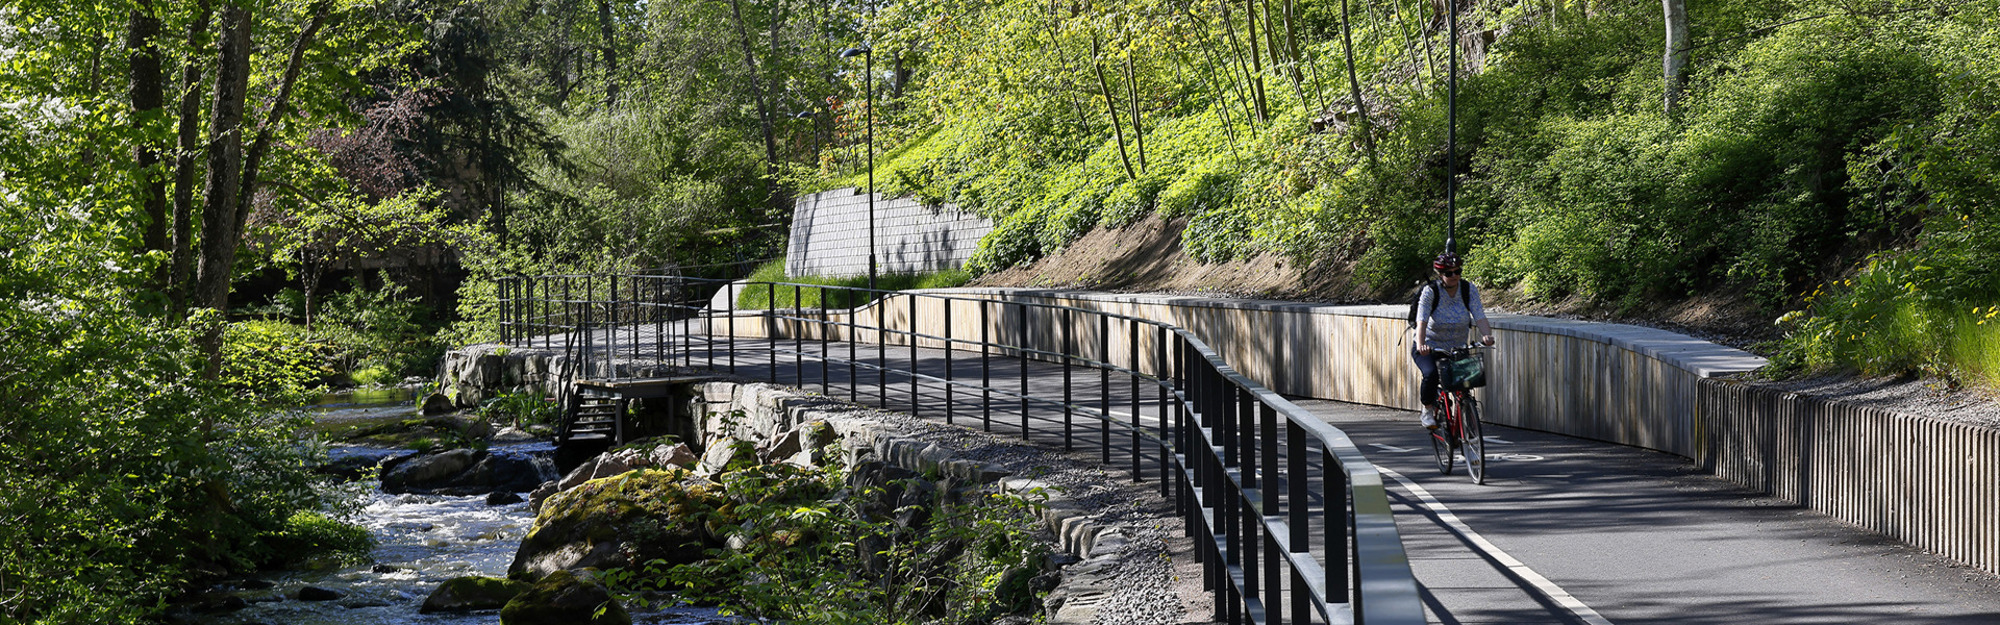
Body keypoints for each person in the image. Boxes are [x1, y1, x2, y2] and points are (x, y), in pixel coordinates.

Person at [1412, 252, 1495, 429]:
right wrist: (1421, 344)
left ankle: (1465, 417)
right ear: (1440, 275)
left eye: (1458, 271)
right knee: (1431, 374)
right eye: (1449, 273)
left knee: (1465, 383)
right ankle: (1427, 409)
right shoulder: (1431, 292)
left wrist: (1487, 335)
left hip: (1457, 347)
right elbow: (1422, 321)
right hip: (1430, 346)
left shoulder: (1468, 289)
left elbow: (1479, 315)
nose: (1454, 276)